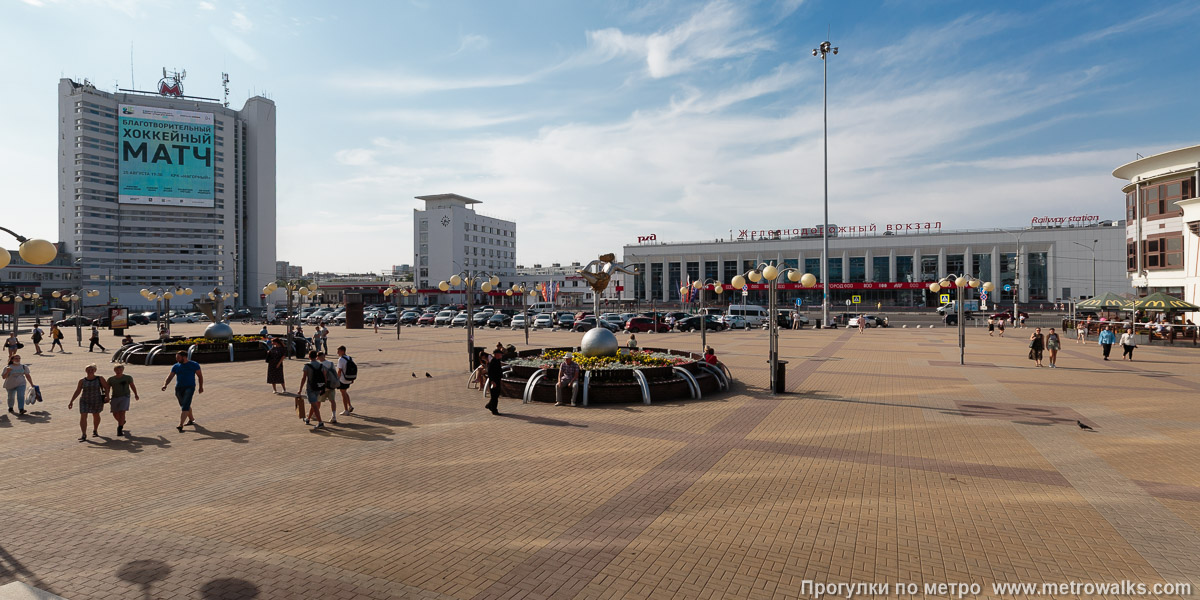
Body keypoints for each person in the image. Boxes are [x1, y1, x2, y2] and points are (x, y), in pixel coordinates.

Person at [161, 351, 203, 432]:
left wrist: (201, 387)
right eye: (176, 358)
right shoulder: (176, 366)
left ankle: (180, 425)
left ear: (184, 357)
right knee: (184, 404)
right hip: (179, 388)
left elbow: (200, 376)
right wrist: (165, 384)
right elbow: (170, 376)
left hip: (190, 387)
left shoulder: (194, 364)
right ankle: (191, 419)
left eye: (178, 357)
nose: (177, 359)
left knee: (185, 406)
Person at [68, 364, 110, 441]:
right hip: (84, 400)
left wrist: (107, 396)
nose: (90, 371)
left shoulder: (99, 378)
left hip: (96, 400)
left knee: (96, 415)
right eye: (88, 369)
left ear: (95, 370)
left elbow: (106, 387)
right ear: (85, 371)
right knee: (83, 416)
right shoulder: (82, 381)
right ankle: (84, 434)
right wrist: (71, 401)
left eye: (92, 369)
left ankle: (95, 430)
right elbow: (78, 391)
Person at [106, 364, 139, 437]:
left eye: (120, 370)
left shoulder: (127, 378)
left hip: (125, 396)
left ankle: (119, 428)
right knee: (115, 413)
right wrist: (107, 396)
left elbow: (132, 386)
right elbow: (107, 388)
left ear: (123, 370)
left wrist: (136, 394)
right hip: (115, 397)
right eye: (117, 370)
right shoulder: (111, 379)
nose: (118, 371)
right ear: (114, 370)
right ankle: (122, 422)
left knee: (122, 412)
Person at [298, 351, 327, 429]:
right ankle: (307, 419)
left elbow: (304, 378)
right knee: (314, 403)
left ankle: (320, 422)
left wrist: (300, 389)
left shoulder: (307, 366)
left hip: (310, 388)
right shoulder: (321, 365)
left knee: (314, 405)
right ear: (316, 357)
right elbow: (325, 377)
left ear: (309, 357)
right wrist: (324, 387)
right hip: (319, 387)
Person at [316, 351, 339, 424]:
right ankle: (334, 416)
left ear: (318, 357)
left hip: (323, 386)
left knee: (318, 401)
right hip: (332, 385)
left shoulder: (319, 365)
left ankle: (315, 414)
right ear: (324, 356)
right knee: (332, 401)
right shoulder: (331, 363)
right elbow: (335, 373)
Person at [335, 345, 355, 415]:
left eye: (339, 351)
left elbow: (339, 370)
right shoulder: (349, 358)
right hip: (349, 378)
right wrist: (352, 378)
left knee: (343, 393)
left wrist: (337, 379)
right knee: (345, 391)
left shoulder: (341, 359)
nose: (337, 352)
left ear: (342, 351)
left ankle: (346, 410)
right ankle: (350, 406)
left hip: (343, 379)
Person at [485, 351, 503, 415]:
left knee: (496, 394)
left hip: (497, 380)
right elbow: (490, 372)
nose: (501, 355)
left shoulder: (497, 361)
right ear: (496, 355)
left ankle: (489, 405)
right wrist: (492, 381)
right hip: (494, 381)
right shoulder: (492, 362)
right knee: (494, 396)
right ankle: (494, 410)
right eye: (500, 354)